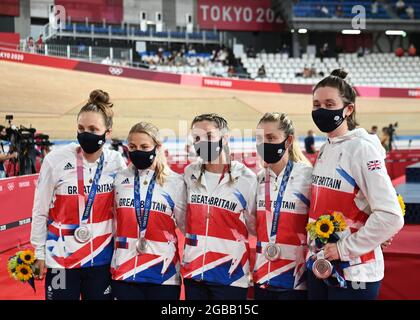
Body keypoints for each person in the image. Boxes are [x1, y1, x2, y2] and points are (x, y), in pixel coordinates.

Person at [307, 69, 404, 300]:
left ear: (348, 109)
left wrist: (342, 248)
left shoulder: (362, 149)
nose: (322, 110)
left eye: (330, 104)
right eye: (317, 104)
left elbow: (391, 216)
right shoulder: (326, 147)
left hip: (355, 273)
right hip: (321, 265)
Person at [30, 89, 126, 300]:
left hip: (101, 259)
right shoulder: (55, 160)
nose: (86, 133)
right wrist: (39, 253)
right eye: (81, 128)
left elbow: (123, 211)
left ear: (107, 133)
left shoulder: (116, 162)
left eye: (93, 129)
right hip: (61, 260)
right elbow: (40, 210)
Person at [182, 113, 257, 300]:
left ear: (224, 138)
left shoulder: (246, 179)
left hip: (230, 275)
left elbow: (254, 226)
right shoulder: (189, 173)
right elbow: (184, 220)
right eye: (197, 138)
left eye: (209, 136)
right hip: (194, 272)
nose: (202, 142)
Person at [111, 122, 186, 300]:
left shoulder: (175, 182)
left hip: (164, 273)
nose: (138, 151)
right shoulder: (119, 179)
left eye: (144, 147)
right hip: (125, 270)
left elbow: (186, 226)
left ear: (157, 147)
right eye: (132, 147)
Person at [253, 112, 312, 300]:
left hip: (296, 279)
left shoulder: (308, 176)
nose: (264, 144)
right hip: (263, 275)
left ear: (288, 141)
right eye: (260, 139)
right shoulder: (258, 179)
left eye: (271, 138)